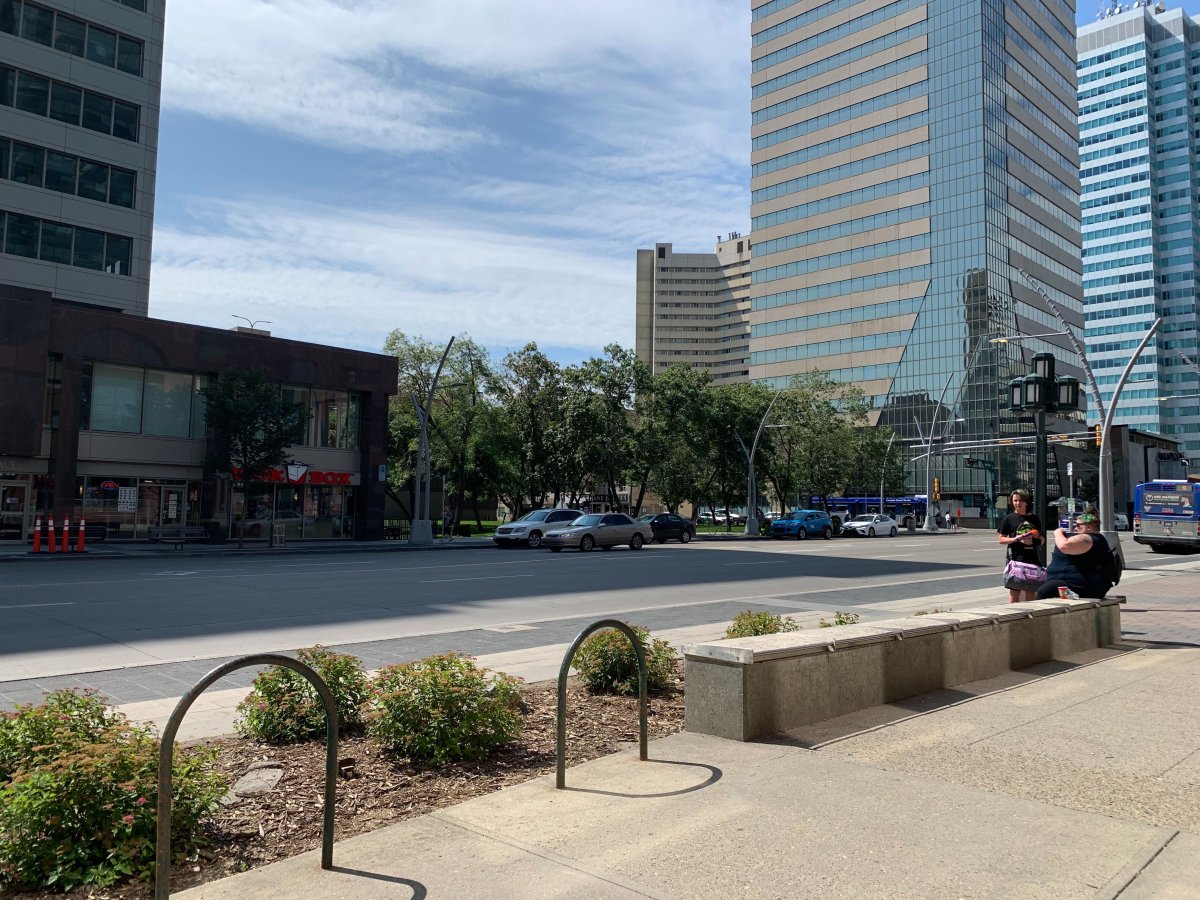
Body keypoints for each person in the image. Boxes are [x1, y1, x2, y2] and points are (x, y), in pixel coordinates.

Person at [1035, 512, 1114, 600]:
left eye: (1078, 525)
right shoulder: (1096, 539)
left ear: (1088, 527)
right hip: (1074, 583)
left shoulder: (1089, 538)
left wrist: (1058, 533)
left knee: (1044, 592)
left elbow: (1064, 546)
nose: (1075, 528)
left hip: (1081, 586)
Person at [998, 489, 1044, 603]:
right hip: (1016, 559)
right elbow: (1001, 539)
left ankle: (1031, 615)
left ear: (1026, 502)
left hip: (1032, 559)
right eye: (1015, 500)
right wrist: (1015, 539)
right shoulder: (1008, 519)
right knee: (1015, 590)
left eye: (1020, 501)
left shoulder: (1034, 519)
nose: (1017, 503)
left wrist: (1038, 537)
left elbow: (1042, 541)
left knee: (1031, 591)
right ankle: (1012, 615)